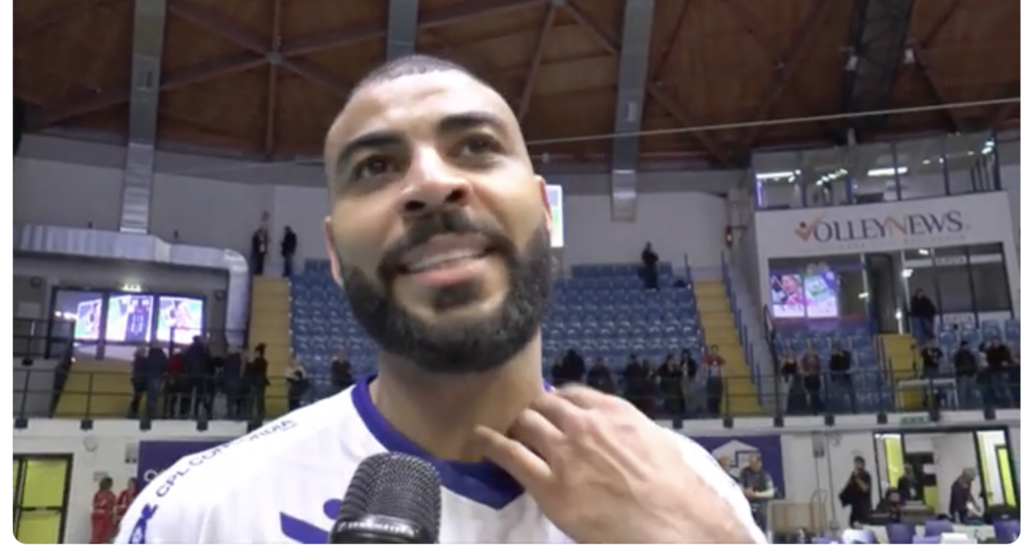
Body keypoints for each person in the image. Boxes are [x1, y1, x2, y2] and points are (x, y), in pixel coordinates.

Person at [116, 54, 764, 544]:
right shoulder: (197, 515)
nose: (430, 183)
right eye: (376, 166)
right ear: (335, 253)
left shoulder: (691, 491)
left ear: (546, 213)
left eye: (477, 147)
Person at [91, 476, 117, 543]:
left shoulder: (108, 494)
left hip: (105, 517)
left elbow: (114, 506)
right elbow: (96, 505)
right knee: (100, 536)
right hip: (102, 517)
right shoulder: (102, 494)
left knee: (102, 536)